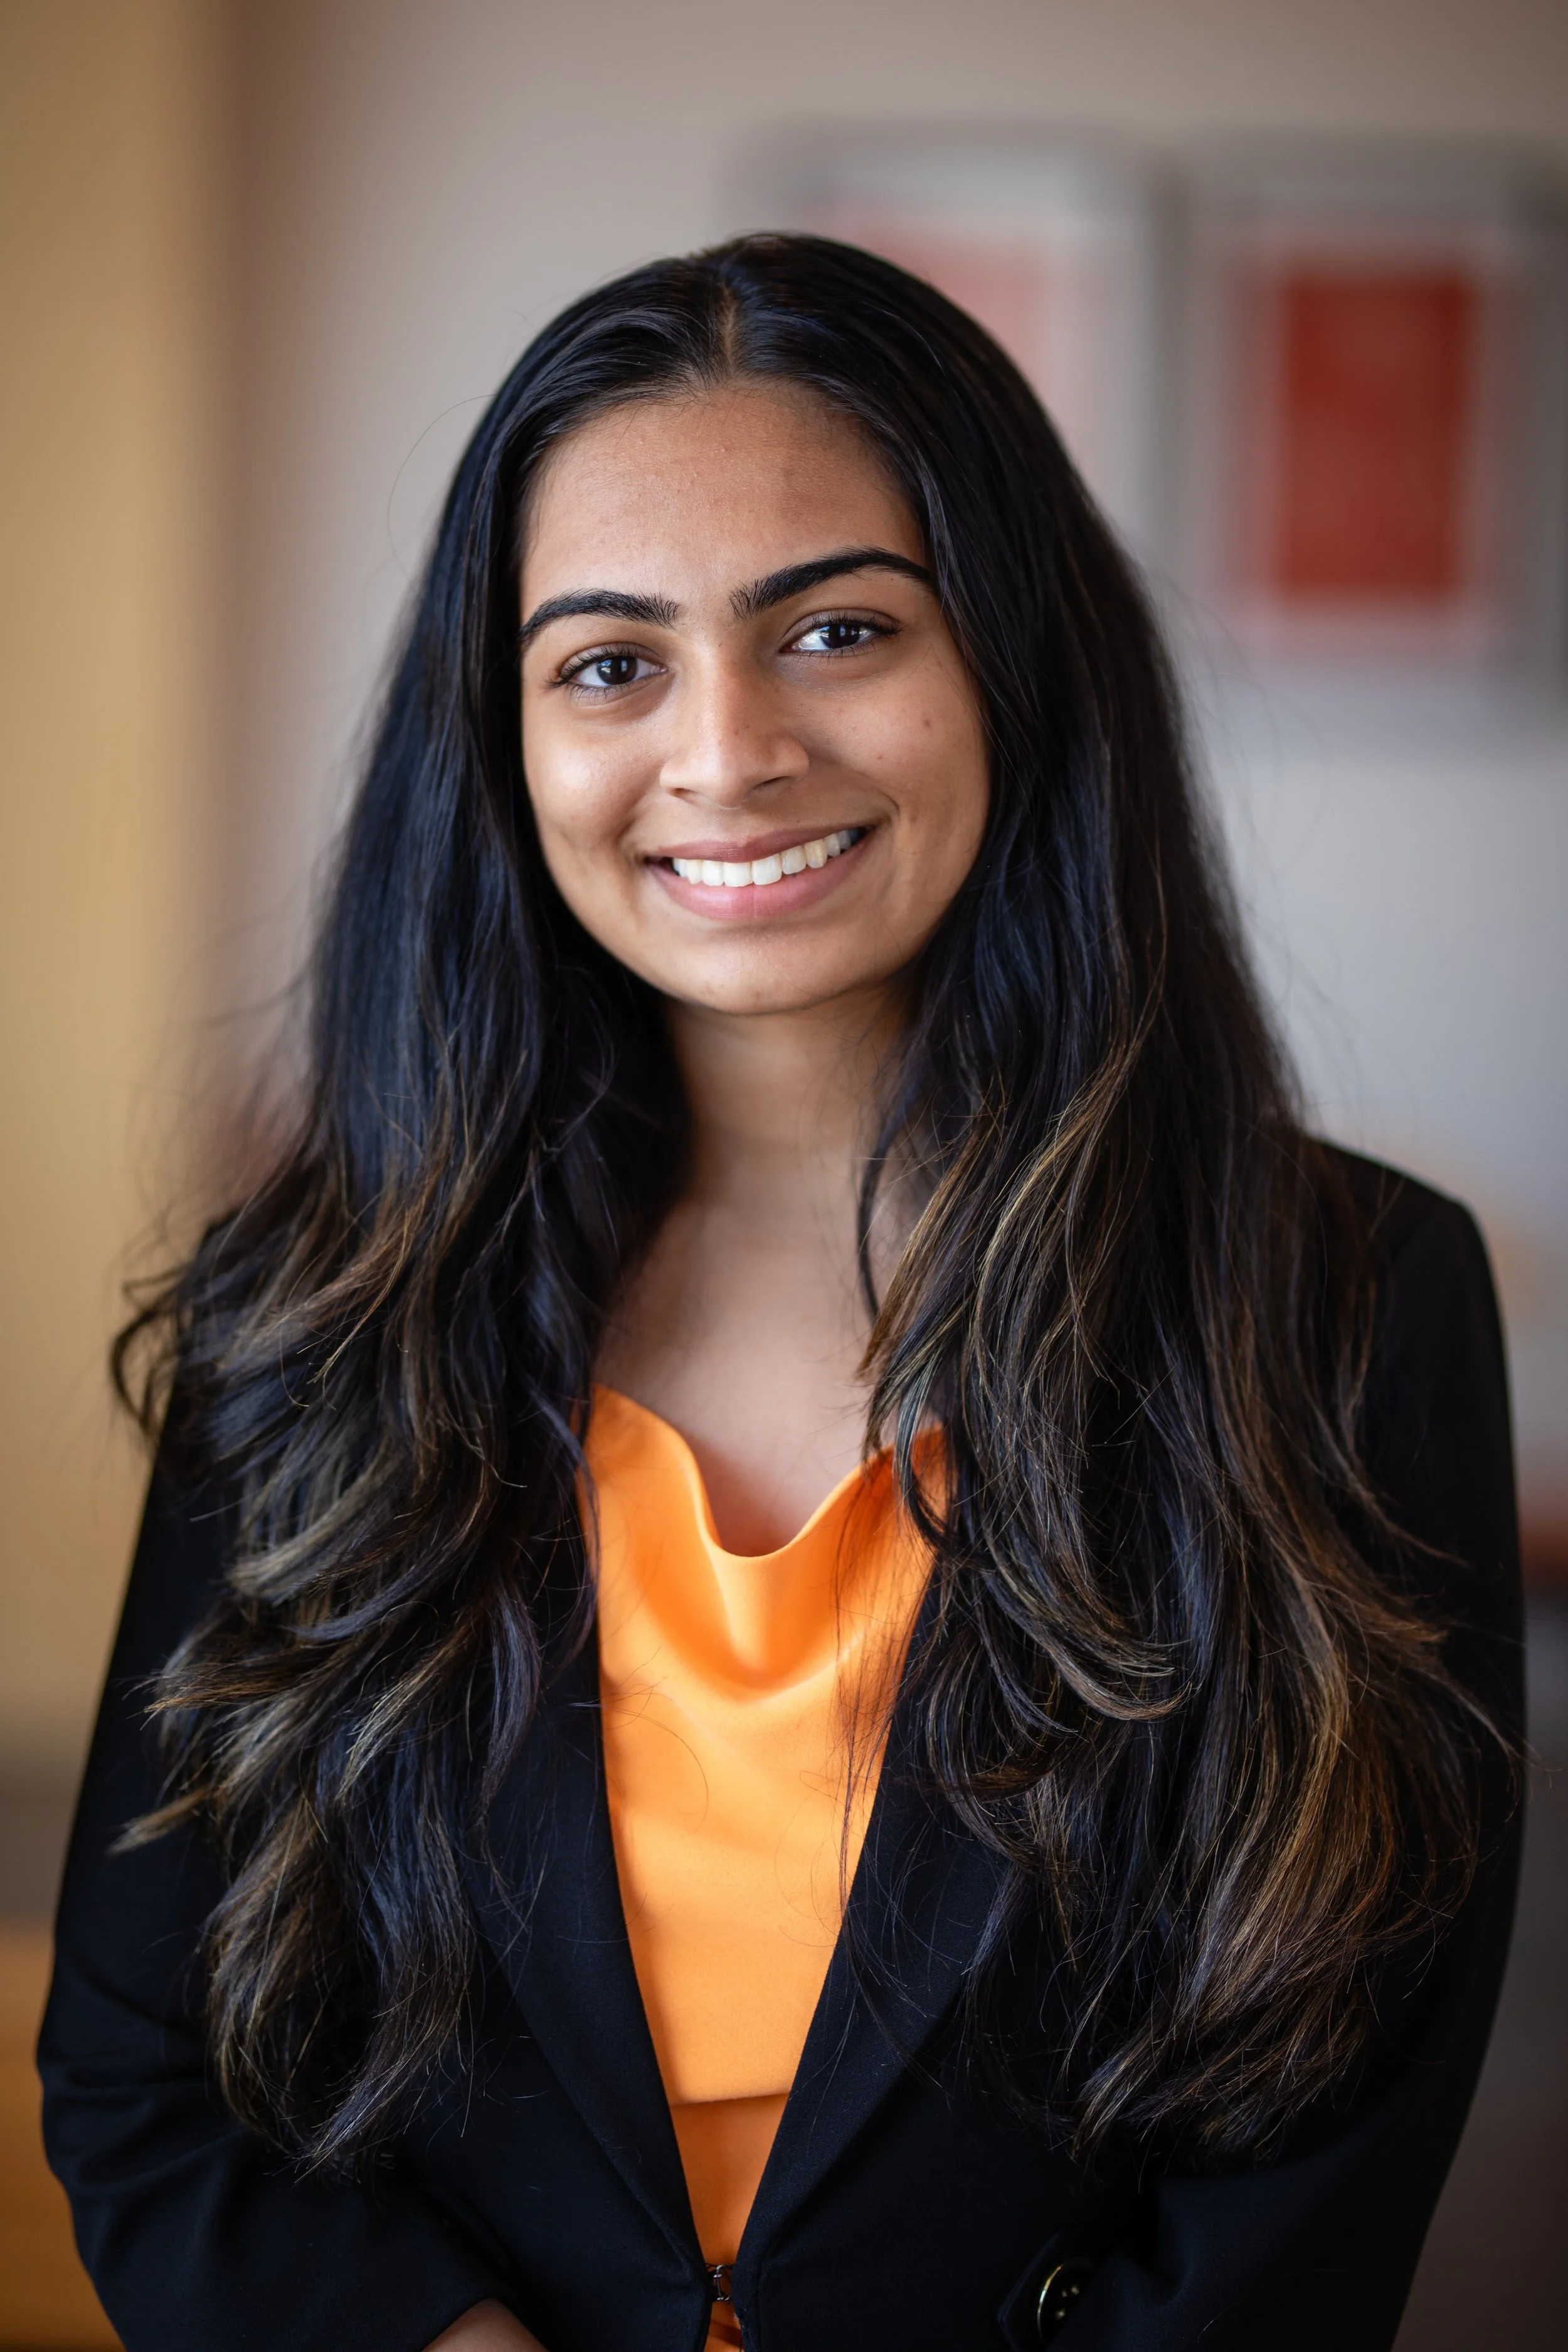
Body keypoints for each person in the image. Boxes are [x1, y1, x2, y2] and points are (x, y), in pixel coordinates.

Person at [40, 235, 1520, 2352]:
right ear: (506, 733)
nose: (725, 751)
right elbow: (149, 2085)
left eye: (834, 627)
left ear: (1015, 659)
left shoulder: (1346, 1304)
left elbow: (1316, 2169)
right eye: (609, 662)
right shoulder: (319, 1316)